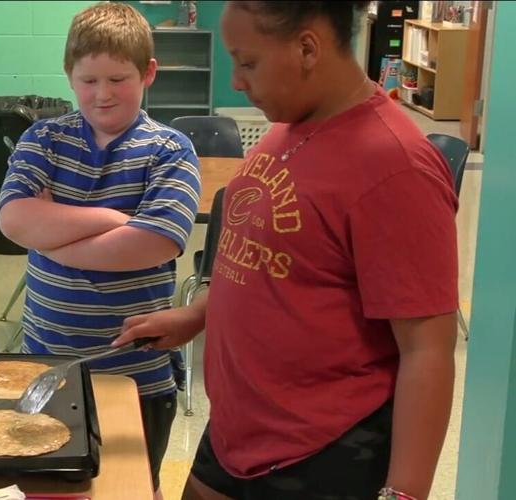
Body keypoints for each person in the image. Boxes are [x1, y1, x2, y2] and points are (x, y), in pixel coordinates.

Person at [113, 2, 459, 499]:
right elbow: (271, 261)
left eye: (247, 62)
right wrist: (197, 315)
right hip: (240, 428)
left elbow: (427, 350)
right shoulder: (290, 126)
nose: (235, 81)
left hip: (320, 450)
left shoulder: (396, 166)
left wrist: (404, 492)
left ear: (307, 48)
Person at [0, 2, 202, 497]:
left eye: (118, 79)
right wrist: (113, 220)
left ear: (148, 73)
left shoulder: (170, 150)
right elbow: (12, 220)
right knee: (51, 486)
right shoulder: (43, 139)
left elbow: (153, 244)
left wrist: (55, 238)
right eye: (89, 80)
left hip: (137, 376)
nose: (102, 94)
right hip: (47, 366)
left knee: (131, 487)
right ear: (69, 76)